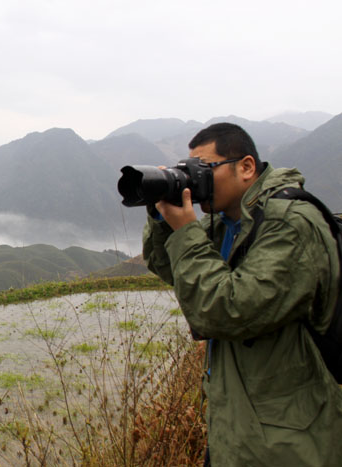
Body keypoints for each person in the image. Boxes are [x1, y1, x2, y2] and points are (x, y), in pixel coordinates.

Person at [143, 122, 342, 466]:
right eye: (189, 171)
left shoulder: (290, 224)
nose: (195, 181)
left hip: (288, 443)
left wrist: (187, 230)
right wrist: (162, 219)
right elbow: (178, 272)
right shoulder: (230, 223)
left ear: (246, 167)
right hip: (236, 432)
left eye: (204, 170)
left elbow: (226, 310)